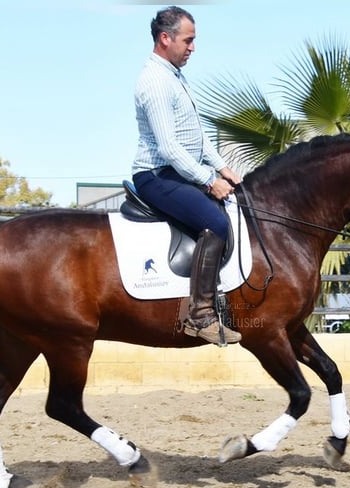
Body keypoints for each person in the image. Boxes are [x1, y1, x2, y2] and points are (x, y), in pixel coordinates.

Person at [132, 5, 242, 345]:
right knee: (217, 224)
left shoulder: (174, 76)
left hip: (176, 171)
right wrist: (209, 179)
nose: (192, 48)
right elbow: (169, 147)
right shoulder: (155, 82)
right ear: (166, 39)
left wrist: (222, 167)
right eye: (188, 40)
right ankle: (201, 315)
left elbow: (194, 135)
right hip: (156, 175)